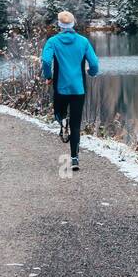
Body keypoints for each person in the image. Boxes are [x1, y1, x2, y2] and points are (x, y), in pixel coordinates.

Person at [40, 10, 100, 171]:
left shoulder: (53, 41)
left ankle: (62, 121)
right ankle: (74, 158)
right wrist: (91, 73)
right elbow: (94, 64)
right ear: (73, 24)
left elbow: (46, 61)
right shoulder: (83, 42)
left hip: (60, 87)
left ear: (59, 25)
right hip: (78, 89)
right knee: (76, 124)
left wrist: (48, 75)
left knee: (59, 113)